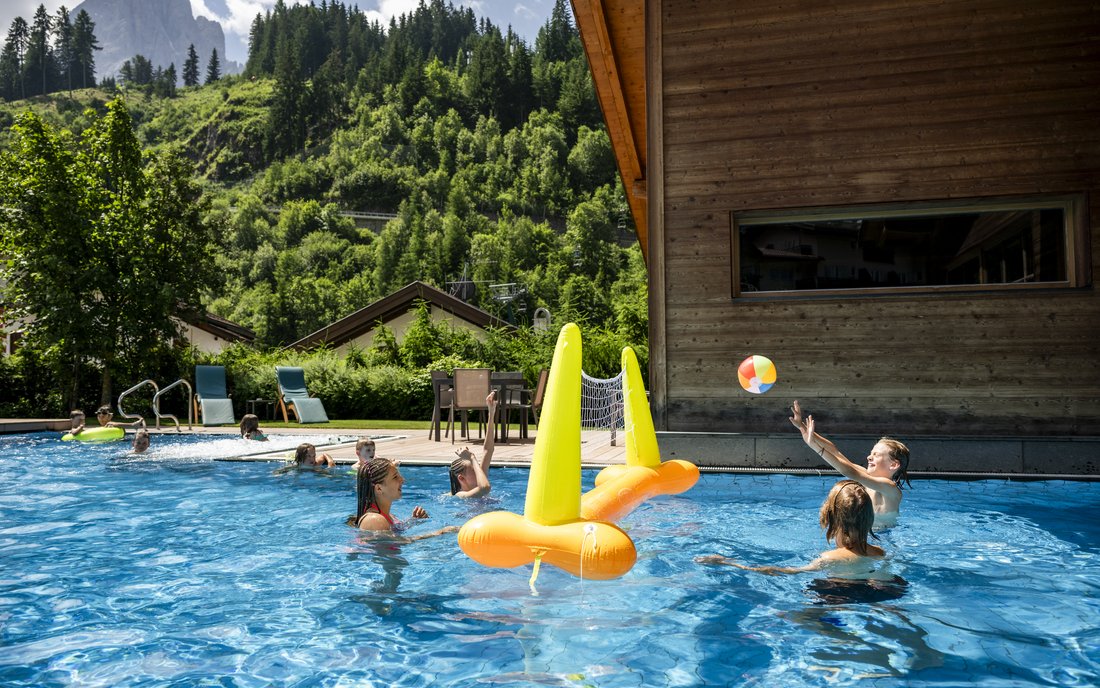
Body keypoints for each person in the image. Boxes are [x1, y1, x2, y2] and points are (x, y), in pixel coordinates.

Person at [696, 480, 886, 578]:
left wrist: (729, 563)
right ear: (868, 518)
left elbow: (784, 571)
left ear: (831, 517)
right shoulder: (879, 553)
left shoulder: (829, 558)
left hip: (836, 598)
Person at [789, 400, 910, 527]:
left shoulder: (890, 488)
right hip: (865, 534)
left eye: (876, 455)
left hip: (884, 537)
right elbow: (836, 453)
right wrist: (803, 428)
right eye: (871, 453)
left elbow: (849, 472)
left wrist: (815, 446)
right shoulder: (868, 478)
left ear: (894, 465)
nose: (869, 457)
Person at [348, 457, 456, 539]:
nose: (402, 480)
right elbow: (398, 543)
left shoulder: (387, 516)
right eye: (395, 477)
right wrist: (441, 532)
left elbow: (396, 532)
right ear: (379, 488)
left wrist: (413, 521)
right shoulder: (374, 520)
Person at [448, 390, 498, 498]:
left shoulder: (478, 478)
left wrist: (491, 413)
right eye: (474, 469)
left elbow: (488, 450)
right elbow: (484, 488)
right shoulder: (461, 495)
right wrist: (472, 457)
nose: (478, 469)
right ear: (461, 478)